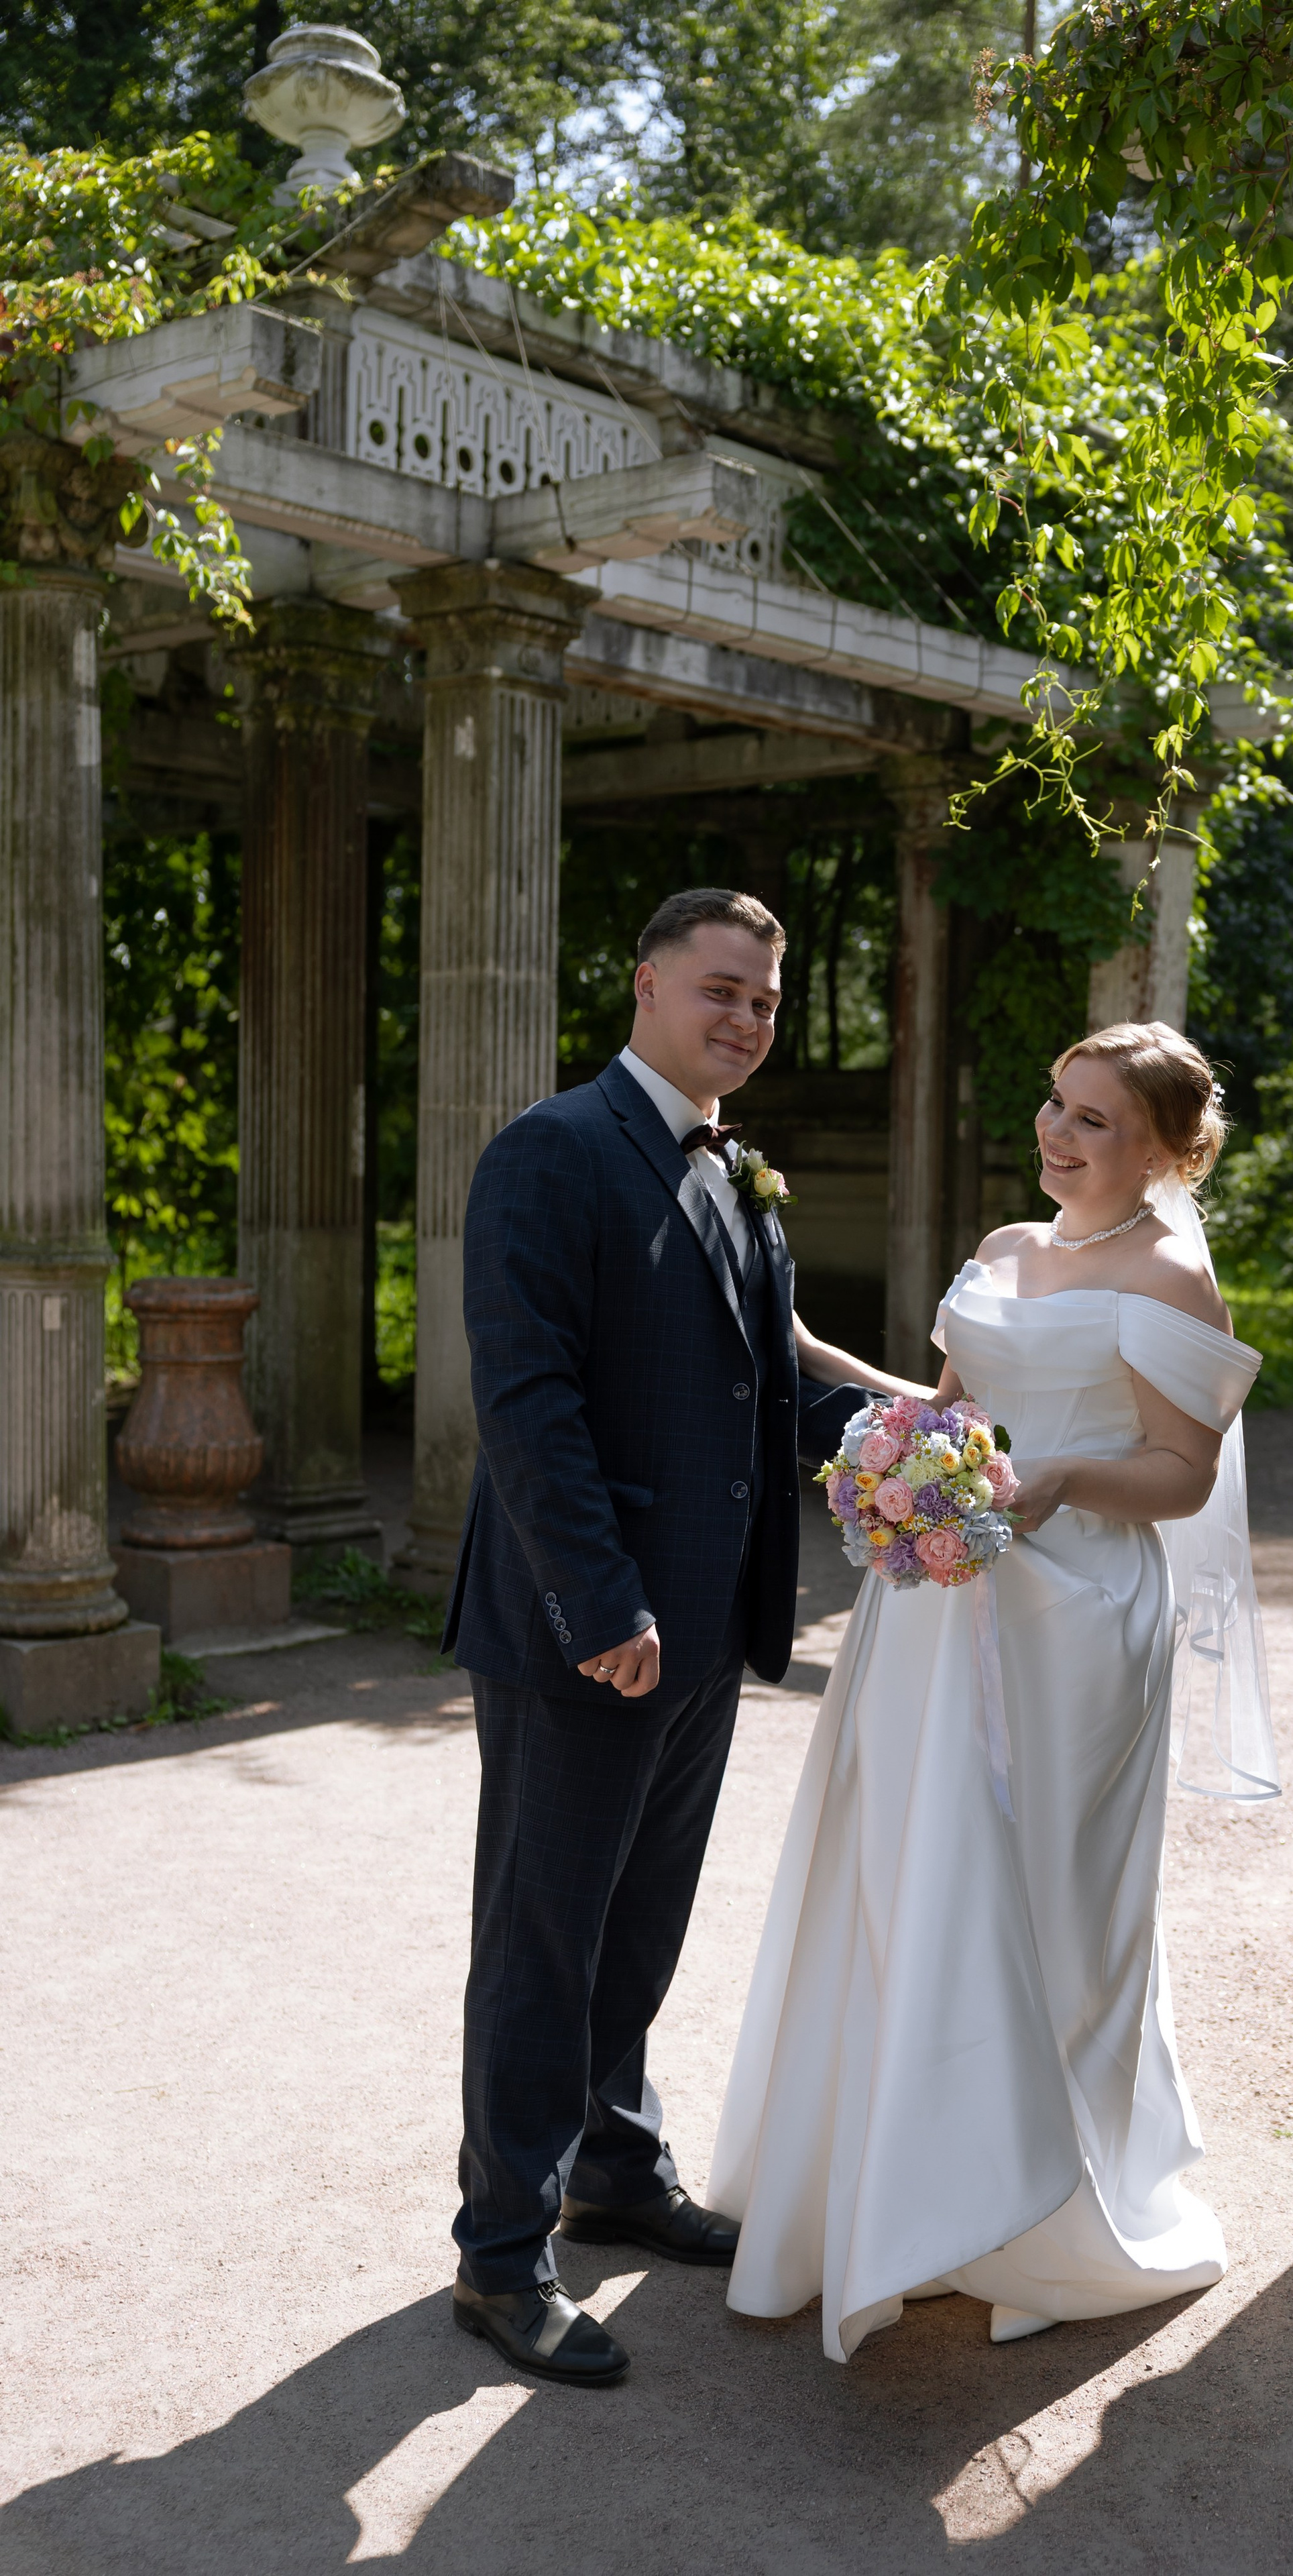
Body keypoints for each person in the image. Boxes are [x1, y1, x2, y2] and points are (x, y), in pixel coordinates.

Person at [710, 1020, 1279, 2361]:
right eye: (1053, 1102)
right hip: (933, 1599)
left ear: (1165, 1151)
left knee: (1040, 1897)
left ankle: (1037, 2206)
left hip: (1071, 1624)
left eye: (1093, 1120)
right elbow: (958, 1412)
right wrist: (856, 1404)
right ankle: (893, 2185)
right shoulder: (1004, 1252)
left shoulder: (1170, 1275)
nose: (1056, 1133)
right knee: (904, 1871)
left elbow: (1182, 1474)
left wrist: (1061, 1482)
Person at [443, 887, 922, 2387]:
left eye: (765, 1004)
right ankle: (500, 2255)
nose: (743, 1020)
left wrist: (913, 1445)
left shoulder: (728, 1171)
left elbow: (761, 1381)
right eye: (720, 990)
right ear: (644, 982)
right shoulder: (551, 1154)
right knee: (543, 1940)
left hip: (709, 1623)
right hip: (587, 1627)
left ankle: (613, 2171)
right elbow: (527, 1401)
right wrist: (602, 1603)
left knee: (637, 1928)